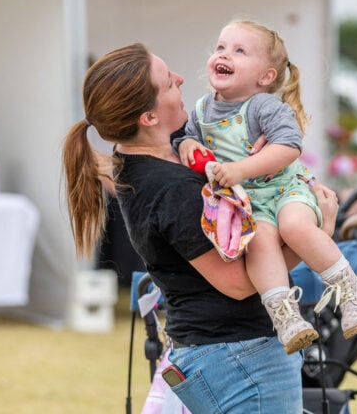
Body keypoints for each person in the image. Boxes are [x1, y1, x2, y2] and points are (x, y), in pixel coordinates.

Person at [62, 43, 341, 413]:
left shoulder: (149, 158)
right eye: (167, 83)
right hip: (240, 356)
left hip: (222, 353)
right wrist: (319, 232)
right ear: (147, 117)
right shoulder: (171, 190)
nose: (180, 79)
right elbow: (239, 284)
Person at [175, 20, 357, 354]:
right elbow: (189, 140)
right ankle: (284, 315)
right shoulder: (200, 110)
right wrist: (186, 145)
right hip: (251, 204)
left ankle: (351, 291)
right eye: (221, 47)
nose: (224, 54)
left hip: (287, 190)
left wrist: (240, 169)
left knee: (295, 226)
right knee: (259, 243)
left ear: (266, 77)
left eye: (240, 51)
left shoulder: (263, 106)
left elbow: (289, 146)